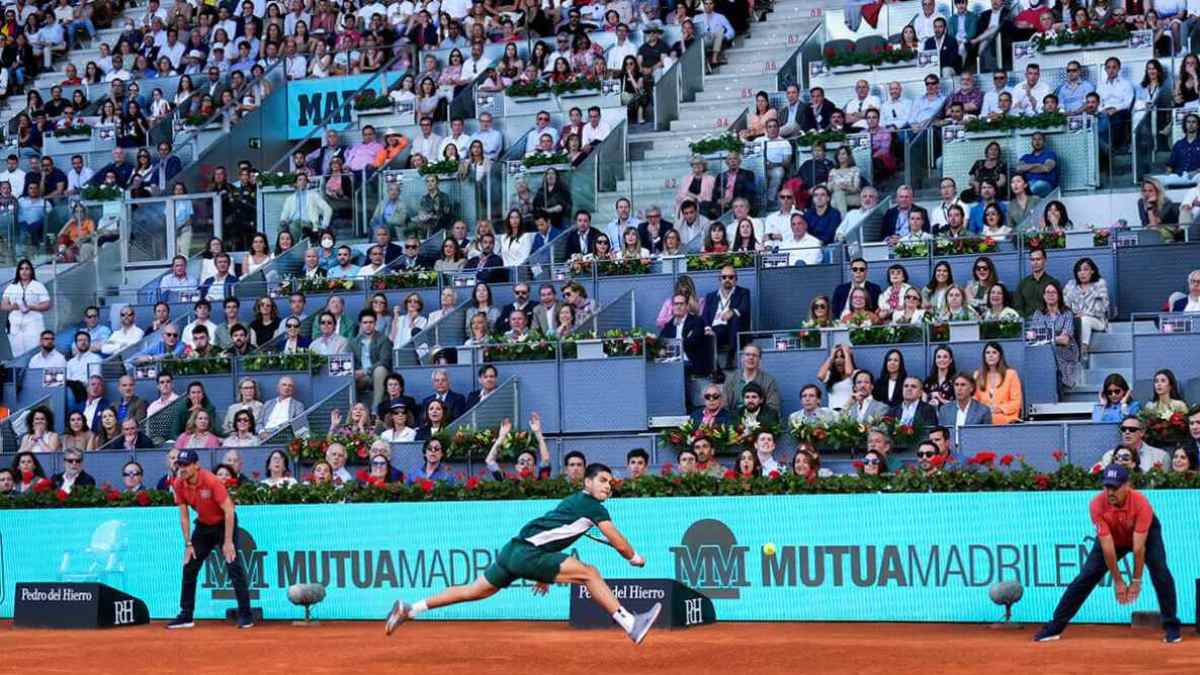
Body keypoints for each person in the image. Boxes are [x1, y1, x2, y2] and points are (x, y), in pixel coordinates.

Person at [385, 455, 660, 643]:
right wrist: (634, 558)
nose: (608, 486)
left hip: (513, 551)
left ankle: (411, 608)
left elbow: (548, 537)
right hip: (526, 553)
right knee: (590, 573)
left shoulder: (576, 502)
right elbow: (618, 541)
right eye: (602, 480)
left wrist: (541, 574)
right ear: (587, 482)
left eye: (610, 483)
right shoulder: (591, 505)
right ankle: (630, 624)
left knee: (472, 591)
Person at [1035, 464, 1181, 643]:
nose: (1110, 492)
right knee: (1086, 577)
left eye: (1115, 487)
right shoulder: (1097, 504)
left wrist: (1136, 581)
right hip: (1113, 538)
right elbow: (1107, 548)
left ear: (1127, 485)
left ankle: (1172, 627)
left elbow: (1138, 548)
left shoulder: (1141, 503)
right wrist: (1118, 581)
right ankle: (1054, 627)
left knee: (1161, 572)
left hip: (1145, 537)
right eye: (1107, 486)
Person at [167, 449, 254, 629]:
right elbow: (184, 516)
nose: (182, 469)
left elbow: (229, 510)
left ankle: (246, 615)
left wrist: (228, 542)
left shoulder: (211, 481)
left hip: (224, 523)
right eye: (179, 465)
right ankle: (186, 615)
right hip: (203, 526)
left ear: (196, 466)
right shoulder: (178, 483)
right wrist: (188, 544)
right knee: (189, 566)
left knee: (233, 565)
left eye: (186, 465)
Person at [1029, 280, 1079, 391]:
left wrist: (1042, 337)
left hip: (1065, 352)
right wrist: (1055, 337)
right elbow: (1031, 335)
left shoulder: (1066, 313)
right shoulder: (1038, 313)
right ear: (1043, 296)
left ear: (1059, 295)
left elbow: (1065, 340)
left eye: (1054, 292)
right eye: (1047, 292)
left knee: (1052, 356)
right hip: (1044, 352)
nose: (1050, 295)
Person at [974, 342, 1023, 424]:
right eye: (988, 353)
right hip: (984, 419)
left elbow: (1016, 402)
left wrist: (999, 408)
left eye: (994, 352)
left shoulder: (1011, 374)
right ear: (984, 356)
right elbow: (974, 401)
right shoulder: (977, 375)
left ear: (1000, 356)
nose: (991, 355)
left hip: (1006, 419)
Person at [1014, 248, 1059, 318]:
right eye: (1032, 260)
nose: (1035, 262)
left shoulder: (1053, 283)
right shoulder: (1023, 283)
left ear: (1045, 260)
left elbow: (1057, 306)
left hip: (1047, 322)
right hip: (1027, 323)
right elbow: (1018, 307)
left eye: (1038, 259)